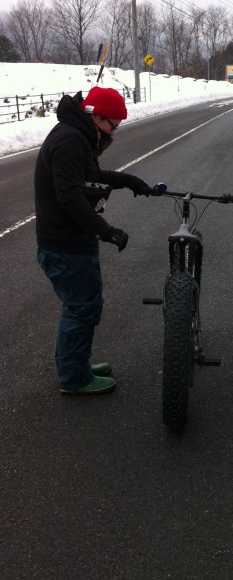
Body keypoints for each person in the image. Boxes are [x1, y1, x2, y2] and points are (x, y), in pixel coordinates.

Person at [35, 86, 152, 394]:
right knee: (82, 307)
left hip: (71, 241)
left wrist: (126, 180)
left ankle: (75, 365)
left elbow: (87, 177)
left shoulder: (78, 134)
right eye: (113, 125)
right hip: (65, 244)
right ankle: (74, 377)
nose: (113, 132)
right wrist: (105, 229)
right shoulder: (70, 140)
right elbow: (70, 195)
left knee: (82, 305)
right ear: (96, 116)